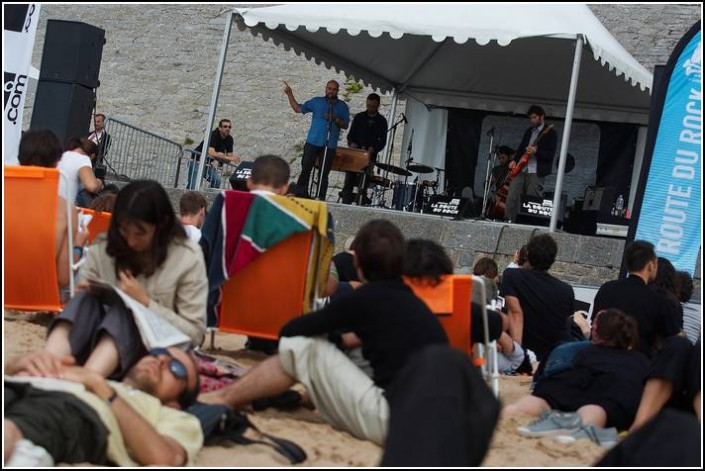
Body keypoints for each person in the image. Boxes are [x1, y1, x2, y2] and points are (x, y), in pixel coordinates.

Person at [199, 220, 449, 445]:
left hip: (394, 423)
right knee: (349, 349)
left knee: (303, 348)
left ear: (357, 262)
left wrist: (330, 338)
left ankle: (225, 397)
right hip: (431, 424)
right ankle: (300, 398)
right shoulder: (413, 303)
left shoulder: (366, 298)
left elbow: (290, 332)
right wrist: (341, 339)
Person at [43, 180, 208, 379]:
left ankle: (89, 377)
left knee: (128, 310)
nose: (130, 241)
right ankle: (45, 363)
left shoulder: (187, 257)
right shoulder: (107, 247)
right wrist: (84, 291)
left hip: (152, 354)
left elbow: (195, 334)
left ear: (160, 227)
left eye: (140, 233)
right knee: (85, 300)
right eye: (123, 230)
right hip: (94, 342)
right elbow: (79, 304)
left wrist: (146, 303)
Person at [4, 347, 202, 466]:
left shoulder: (175, 416)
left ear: (176, 403)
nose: (161, 360)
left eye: (177, 368)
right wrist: (18, 365)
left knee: (14, 427)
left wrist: (100, 387)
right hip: (22, 385)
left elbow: (165, 457)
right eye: (159, 352)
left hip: (72, 410)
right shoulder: (102, 380)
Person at [504, 309, 650, 445]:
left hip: (571, 380)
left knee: (543, 400)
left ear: (597, 333)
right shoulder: (639, 360)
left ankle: (512, 411)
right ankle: (579, 425)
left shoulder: (584, 351)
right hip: (610, 387)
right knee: (597, 408)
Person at [18, 129, 89, 289]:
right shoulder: (65, 211)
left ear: (20, 159)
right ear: (57, 164)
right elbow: (64, 278)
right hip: (37, 303)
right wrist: (78, 244)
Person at [592, 240, 681, 359]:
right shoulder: (658, 299)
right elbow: (673, 338)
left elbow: (595, 321)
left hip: (599, 357)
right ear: (650, 265)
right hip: (637, 365)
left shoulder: (607, 288)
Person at [500, 233, 573, 363]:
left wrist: (517, 355)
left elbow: (515, 313)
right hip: (553, 358)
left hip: (526, 354)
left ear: (527, 254)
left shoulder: (512, 276)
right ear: (552, 260)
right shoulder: (566, 290)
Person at [284, 79, 350, 200]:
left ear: (338, 91)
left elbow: (345, 125)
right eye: (329, 88)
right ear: (326, 89)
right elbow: (298, 109)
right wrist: (290, 94)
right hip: (312, 142)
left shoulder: (342, 106)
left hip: (329, 145)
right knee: (306, 170)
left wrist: (335, 119)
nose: (331, 91)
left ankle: (320, 197)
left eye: (334, 89)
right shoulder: (317, 101)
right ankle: (301, 195)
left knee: (323, 174)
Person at [504, 105, 557, 223]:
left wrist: (536, 151)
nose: (532, 120)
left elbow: (550, 155)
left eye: (534, 117)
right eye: (531, 118)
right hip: (522, 169)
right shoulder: (529, 131)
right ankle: (508, 220)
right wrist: (514, 160)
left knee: (532, 200)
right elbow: (521, 147)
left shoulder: (551, 133)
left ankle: (530, 224)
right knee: (512, 195)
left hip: (536, 171)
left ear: (542, 116)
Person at [340, 93, 388, 205]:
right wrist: (352, 144)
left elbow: (383, 141)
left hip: (369, 157)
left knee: (363, 185)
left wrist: (374, 149)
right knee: (348, 183)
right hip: (355, 155)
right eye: (368, 105)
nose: (370, 108)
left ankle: (359, 204)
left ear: (378, 106)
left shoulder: (382, 121)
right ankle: (345, 205)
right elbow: (350, 135)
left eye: (373, 106)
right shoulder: (359, 117)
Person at [188, 119, 240, 189]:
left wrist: (222, 156)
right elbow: (211, 153)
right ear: (220, 128)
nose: (227, 128)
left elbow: (228, 160)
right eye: (225, 126)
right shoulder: (213, 135)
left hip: (208, 164)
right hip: (196, 160)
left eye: (229, 127)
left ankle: (208, 195)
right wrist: (224, 156)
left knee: (217, 181)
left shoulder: (229, 139)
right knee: (193, 184)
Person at [59, 137, 103, 207]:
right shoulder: (83, 158)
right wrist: (99, 183)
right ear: (93, 156)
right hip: (67, 205)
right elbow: (92, 187)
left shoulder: (63, 155)